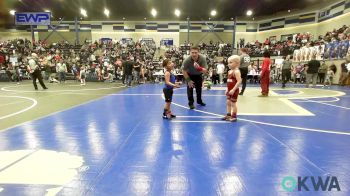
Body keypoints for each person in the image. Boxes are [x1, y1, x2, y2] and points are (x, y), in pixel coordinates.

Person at [222, 55, 242, 122]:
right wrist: (227, 89)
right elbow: (228, 82)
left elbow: (239, 81)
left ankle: (234, 116)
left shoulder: (236, 71)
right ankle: (228, 115)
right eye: (228, 62)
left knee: (233, 103)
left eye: (231, 62)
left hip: (234, 90)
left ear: (237, 63)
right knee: (228, 102)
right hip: (229, 90)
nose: (229, 64)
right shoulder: (229, 71)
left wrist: (233, 89)